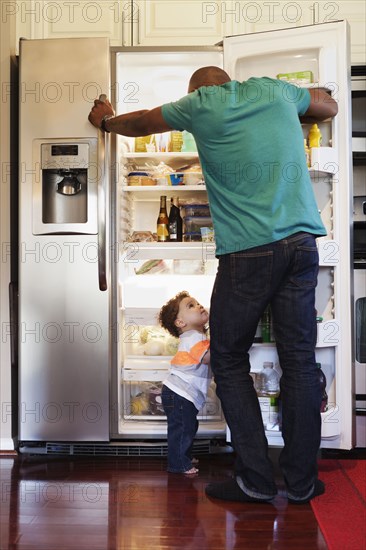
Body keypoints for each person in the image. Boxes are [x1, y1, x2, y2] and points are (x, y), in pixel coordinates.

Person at [88, 66, 338, 503]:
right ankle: (301, 484)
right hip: (302, 245)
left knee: (228, 358)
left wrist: (107, 120)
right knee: (299, 361)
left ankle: (256, 481)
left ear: (196, 91)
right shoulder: (274, 90)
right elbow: (326, 106)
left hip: (249, 252)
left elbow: (143, 121)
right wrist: (319, 94)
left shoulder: (201, 103)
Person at [158, 291, 211, 474]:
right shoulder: (194, 337)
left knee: (188, 425)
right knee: (182, 428)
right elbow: (207, 358)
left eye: (197, 302)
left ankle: (183, 455)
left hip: (180, 392)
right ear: (181, 323)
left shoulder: (196, 336)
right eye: (191, 305)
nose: (198, 306)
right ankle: (179, 463)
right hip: (180, 392)